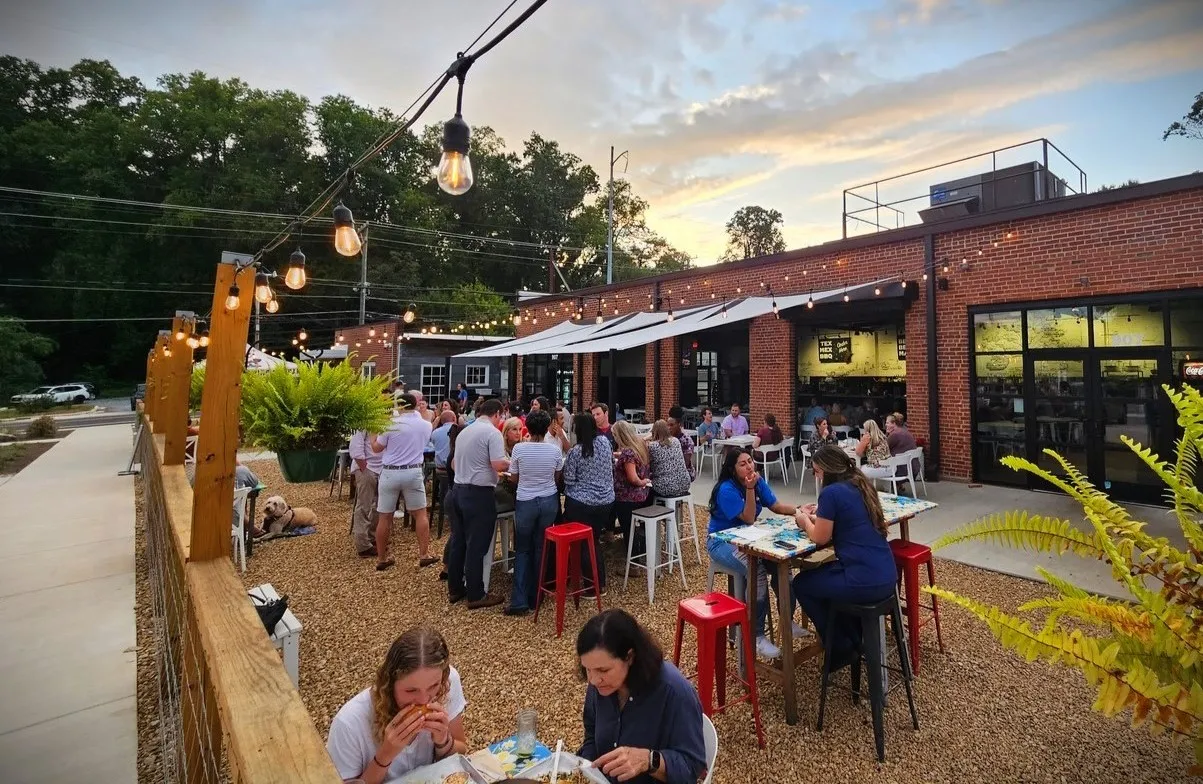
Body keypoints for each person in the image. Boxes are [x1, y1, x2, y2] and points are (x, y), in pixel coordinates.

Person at [792, 446, 898, 667]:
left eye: (817, 471)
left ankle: (840, 644)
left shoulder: (831, 493)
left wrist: (805, 521)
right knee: (825, 578)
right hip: (887, 575)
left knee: (802, 584)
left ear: (827, 470)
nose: (816, 476)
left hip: (864, 581)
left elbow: (820, 538)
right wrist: (819, 516)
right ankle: (853, 636)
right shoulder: (861, 484)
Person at [577, 610, 707, 784]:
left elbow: (693, 768)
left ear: (629, 657)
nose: (593, 680)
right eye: (587, 669)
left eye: (603, 670)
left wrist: (648, 760)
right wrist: (586, 772)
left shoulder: (674, 692)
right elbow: (591, 735)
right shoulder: (600, 683)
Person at [326, 625, 468, 783]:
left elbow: (462, 754)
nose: (423, 700)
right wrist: (386, 754)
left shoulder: (447, 683)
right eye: (411, 690)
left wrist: (443, 741)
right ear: (388, 684)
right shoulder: (349, 723)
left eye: (433, 687)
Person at [705, 448, 805, 659]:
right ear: (732, 470)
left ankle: (787, 621)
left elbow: (776, 506)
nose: (749, 466)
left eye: (750, 461)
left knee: (781, 564)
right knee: (756, 570)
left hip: (749, 538)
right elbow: (749, 518)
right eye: (743, 464)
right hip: (721, 541)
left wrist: (800, 511)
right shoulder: (727, 489)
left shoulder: (756, 480)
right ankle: (757, 636)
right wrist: (750, 489)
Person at [446, 398, 509, 609]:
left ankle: (455, 588)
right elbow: (498, 463)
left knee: (459, 540)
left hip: (458, 489)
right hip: (479, 493)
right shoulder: (492, 433)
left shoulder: (466, 431)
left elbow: (453, 462)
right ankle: (476, 593)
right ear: (498, 414)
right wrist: (516, 461)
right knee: (477, 544)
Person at [505, 409, 562, 617]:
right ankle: (536, 595)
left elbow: (513, 478)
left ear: (528, 427)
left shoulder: (519, 449)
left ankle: (519, 600)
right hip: (548, 499)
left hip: (526, 500)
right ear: (547, 428)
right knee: (540, 548)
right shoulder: (554, 451)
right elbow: (557, 478)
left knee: (522, 549)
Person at [372, 392, 435, 571]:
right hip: (413, 470)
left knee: (385, 516)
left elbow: (377, 448)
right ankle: (424, 554)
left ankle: (382, 558)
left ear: (399, 406)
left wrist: (372, 435)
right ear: (416, 404)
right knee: (420, 514)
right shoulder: (425, 425)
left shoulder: (390, 424)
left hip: (390, 472)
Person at [564, 412, 616, 594]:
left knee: (585, 542)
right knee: (592, 539)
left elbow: (568, 480)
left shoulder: (575, 452)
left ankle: (592, 585)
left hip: (582, 503)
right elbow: (611, 465)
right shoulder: (604, 443)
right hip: (606, 500)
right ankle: (598, 581)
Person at [612, 420, 653, 544]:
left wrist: (642, 481)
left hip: (628, 497)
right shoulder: (640, 445)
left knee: (625, 523)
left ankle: (632, 550)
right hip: (643, 494)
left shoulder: (628, 453)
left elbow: (633, 479)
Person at [350, 425, 383, 558]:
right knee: (364, 505)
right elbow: (356, 448)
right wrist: (364, 467)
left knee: (380, 506)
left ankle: (373, 537)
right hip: (367, 468)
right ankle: (363, 545)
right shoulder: (364, 424)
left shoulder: (389, 422)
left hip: (382, 469)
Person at [647, 419, 691, 499]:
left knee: (646, 487)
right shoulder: (676, 441)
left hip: (666, 486)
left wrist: (645, 439)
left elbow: (646, 463)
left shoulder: (652, 446)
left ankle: (655, 509)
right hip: (685, 483)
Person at [885, 411, 921, 479]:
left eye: (887, 423)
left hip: (902, 471)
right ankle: (898, 486)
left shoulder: (894, 435)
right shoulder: (905, 431)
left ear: (894, 424)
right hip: (913, 468)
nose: (885, 425)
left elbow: (884, 449)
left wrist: (887, 434)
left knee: (879, 467)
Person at [666, 406, 696, 481]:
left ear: (679, 424)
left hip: (684, 474)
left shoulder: (686, 440)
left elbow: (685, 464)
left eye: (672, 425)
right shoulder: (668, 436)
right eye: (668, 425)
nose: (669, 428)